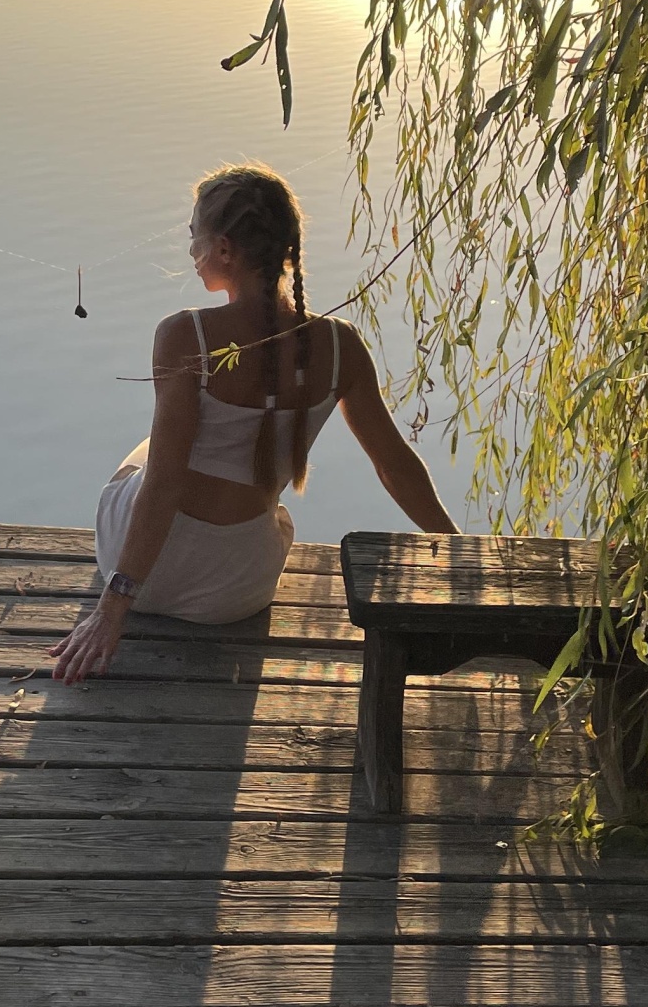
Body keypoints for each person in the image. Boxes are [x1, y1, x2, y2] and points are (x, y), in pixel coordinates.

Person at [49, 162, 460, 684]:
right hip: (234, 590)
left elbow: (166, 479)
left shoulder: (185, 335)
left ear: (224, 250)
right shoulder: (341, 347)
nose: (189, 251)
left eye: (193, 236)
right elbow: (394, 466)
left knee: (152, 451)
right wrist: (460, 551)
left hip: (142, 582)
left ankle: (134, 576)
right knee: (255, 501)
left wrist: (112, 610)